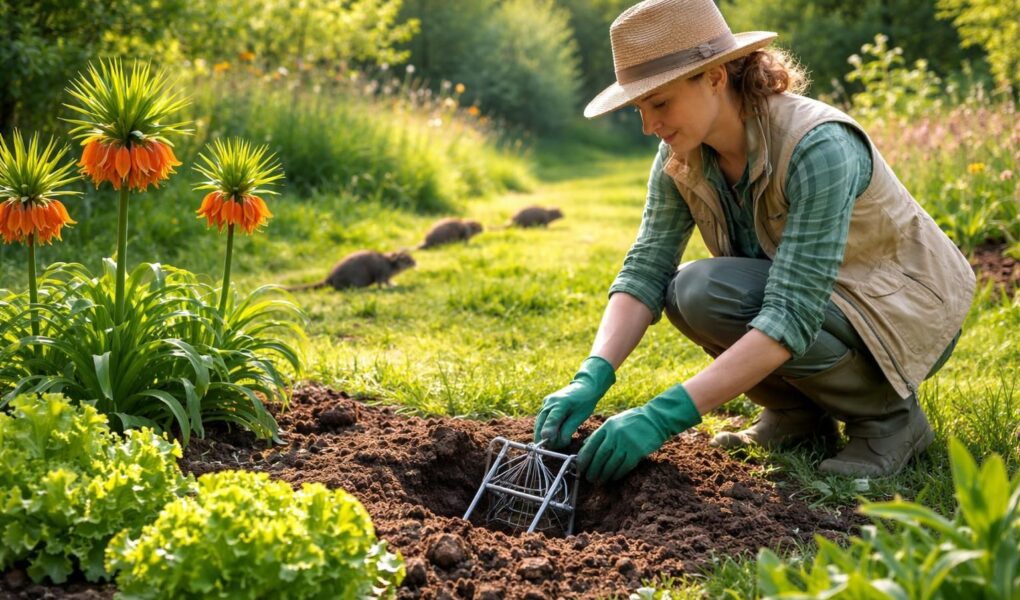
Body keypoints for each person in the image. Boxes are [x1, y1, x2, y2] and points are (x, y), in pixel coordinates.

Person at [533, 0, 975, 482]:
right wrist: (591, 375)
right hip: (826, 306)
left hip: (901, 312)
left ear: (716, 76)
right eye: (641, 107)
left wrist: (665, 415)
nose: (648, 125)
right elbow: (645, 269)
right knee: (691, 291)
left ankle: (889, 420)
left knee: (713, 292)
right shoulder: (681, 155)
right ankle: (797, 419)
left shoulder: (819, 144)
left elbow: (792, 311)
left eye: (659, 102)